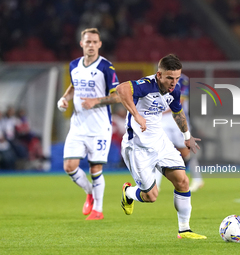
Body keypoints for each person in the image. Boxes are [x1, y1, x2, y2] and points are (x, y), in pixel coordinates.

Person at [116, 54, 206, 239]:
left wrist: (187, 136)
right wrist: (136, 115)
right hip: (138, 147)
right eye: (169, 78)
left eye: (177, 78)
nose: (174, 83)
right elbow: (121, 89)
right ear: (159, 75)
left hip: (160, 142)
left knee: (182, 181)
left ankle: (184, 229)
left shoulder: (174, 90)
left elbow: (178, 112)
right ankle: (128, 192)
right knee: (151, 196)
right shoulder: (146, 85)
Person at [56, 28, 119, 220]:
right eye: (87, 42)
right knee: (69, 166)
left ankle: (98, 210)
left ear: (99, 44)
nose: (91, 45)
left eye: (94, 42)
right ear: (81, 43)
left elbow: (118, 96)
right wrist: (64, 98)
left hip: (99, 128)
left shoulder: (106, 68)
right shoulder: (74, 65)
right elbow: (74, 86)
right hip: (78, 126)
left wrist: (96, 101)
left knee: (95, 169)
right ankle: (90, 192)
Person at [155, 74, 204, 192]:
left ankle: (198, 179)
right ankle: (155, 184)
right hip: (162, 123)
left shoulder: (183, 80)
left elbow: (179, 101)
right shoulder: (157, 79)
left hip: (178, 122)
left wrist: (158, 112)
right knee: (157, 150)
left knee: (186, 151)